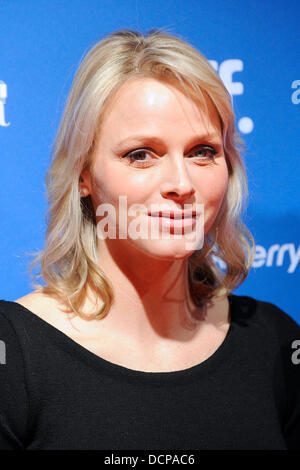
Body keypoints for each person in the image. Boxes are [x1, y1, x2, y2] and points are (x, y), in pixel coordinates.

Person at [0, 28, 299, 451]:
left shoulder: (275, 342)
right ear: (83, 175)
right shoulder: (14, 356)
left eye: (203, 151)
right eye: (141, 154)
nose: (181, 183)